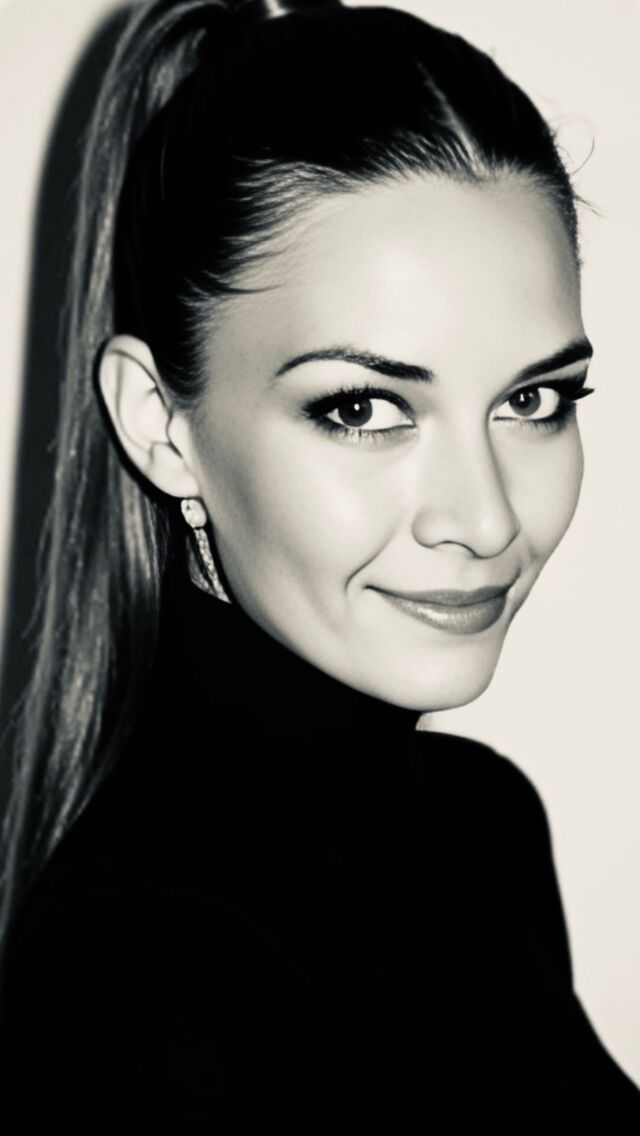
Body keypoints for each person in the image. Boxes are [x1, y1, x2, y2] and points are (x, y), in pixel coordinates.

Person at [0, 0, 638, 1124]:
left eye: (533, 400)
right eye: (363, 408)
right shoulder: (146, 976)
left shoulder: (476, 824)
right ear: (159, 424)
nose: (485, 518)